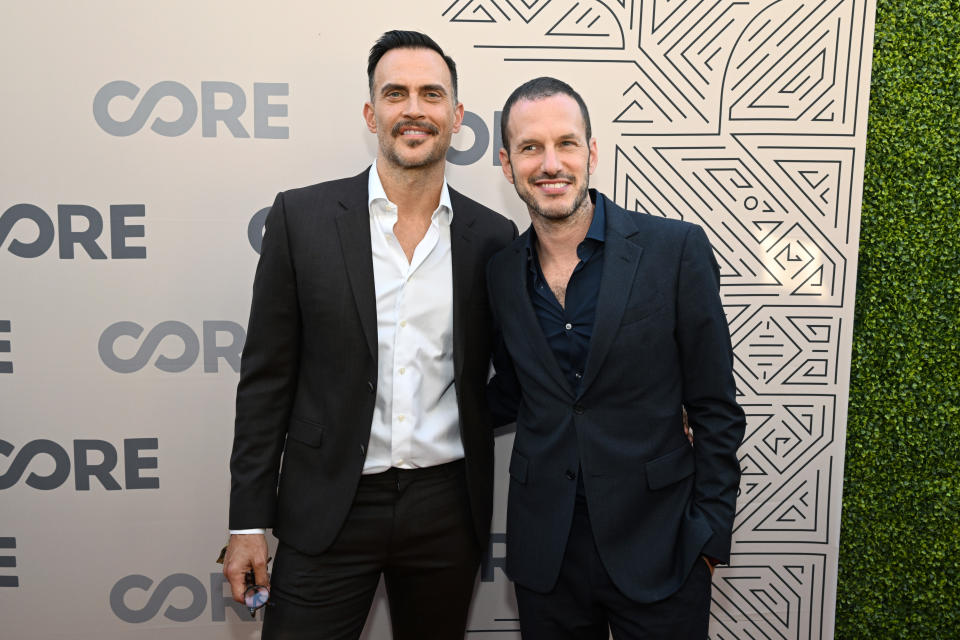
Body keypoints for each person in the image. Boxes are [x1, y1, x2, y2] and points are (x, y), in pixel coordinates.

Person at [223, 30, 516, 640]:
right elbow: (265, 382)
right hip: (328, 503)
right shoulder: (300, 220)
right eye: (396, 93)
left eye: (432, 94)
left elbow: (523, 369)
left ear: (456, 117)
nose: (414, 108)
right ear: (371, 113)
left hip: (447, 508)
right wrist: (247, 520)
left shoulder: (493, 236)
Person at [486, 77, 746, 639]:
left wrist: (709, 536)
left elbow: (715, 407)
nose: (550, 163)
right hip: (546, 558)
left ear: (592, 152)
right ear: (507, 164)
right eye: (531, 148)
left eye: (566, 143)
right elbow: (509, 392)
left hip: (662, 549)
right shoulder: (501, 271)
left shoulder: (674, 250)